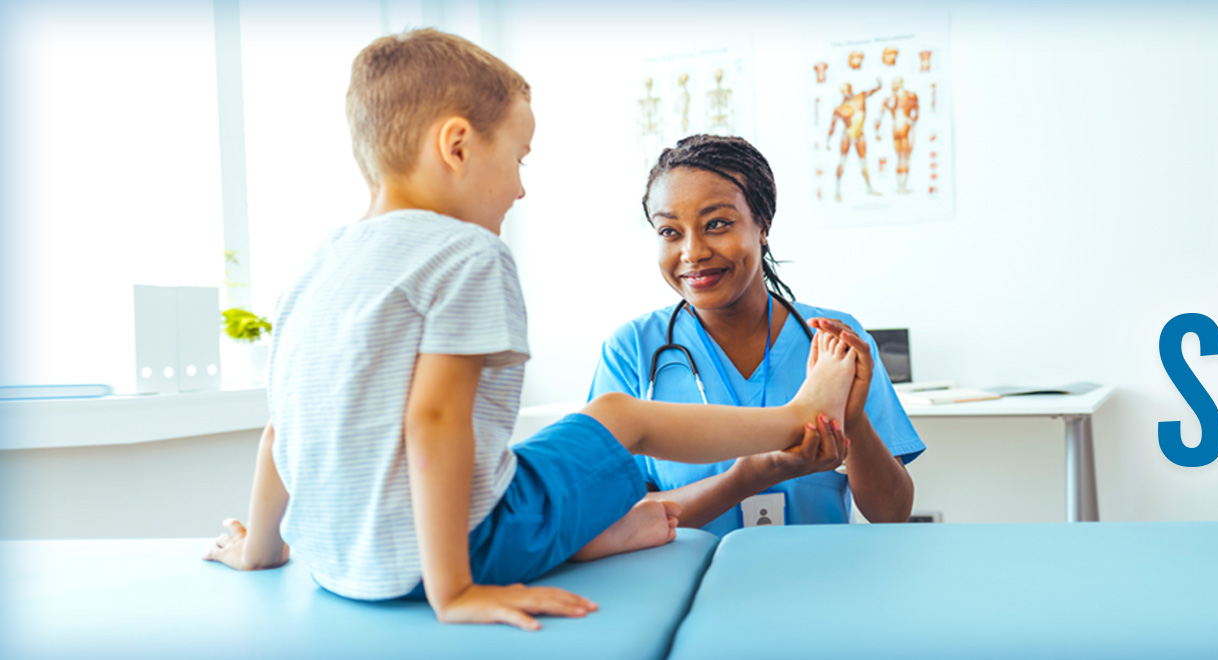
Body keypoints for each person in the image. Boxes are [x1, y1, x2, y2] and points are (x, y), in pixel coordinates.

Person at [200, 29, 862, 632]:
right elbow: (435, 423)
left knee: (545, 459)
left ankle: (616, 529)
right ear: (457, 146)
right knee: (619, 415)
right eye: (519, 158)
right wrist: (454, 591)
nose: (519, 190)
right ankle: (797, 413)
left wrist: (261, 550)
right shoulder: (464, 254)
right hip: (462, 555)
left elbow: (281, 428)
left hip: (341, 564)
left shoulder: (319, 265)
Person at [591, 135, 924, 537]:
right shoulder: (632, 351)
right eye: (670, 232)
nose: (692, 252)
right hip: (687, 588)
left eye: (717, 224)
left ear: (762, 225)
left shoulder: (833, 344)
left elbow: (892, 515)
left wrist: (852, 420)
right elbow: (616, 522)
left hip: (822, 584)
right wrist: (751, 475)